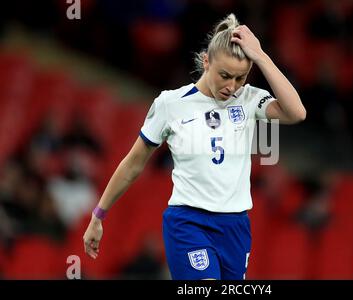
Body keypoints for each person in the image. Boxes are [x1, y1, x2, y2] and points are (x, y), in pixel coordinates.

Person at [83, 13, 306, 280]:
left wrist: (261, 56)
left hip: (235, 226)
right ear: (206, 61)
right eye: (225, 75)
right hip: (189, 223)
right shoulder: (171, 103)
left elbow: (297, 113)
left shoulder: (248, 99)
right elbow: (133, 164)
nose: (232, 86)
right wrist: (99, 215)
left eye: (240, 78)